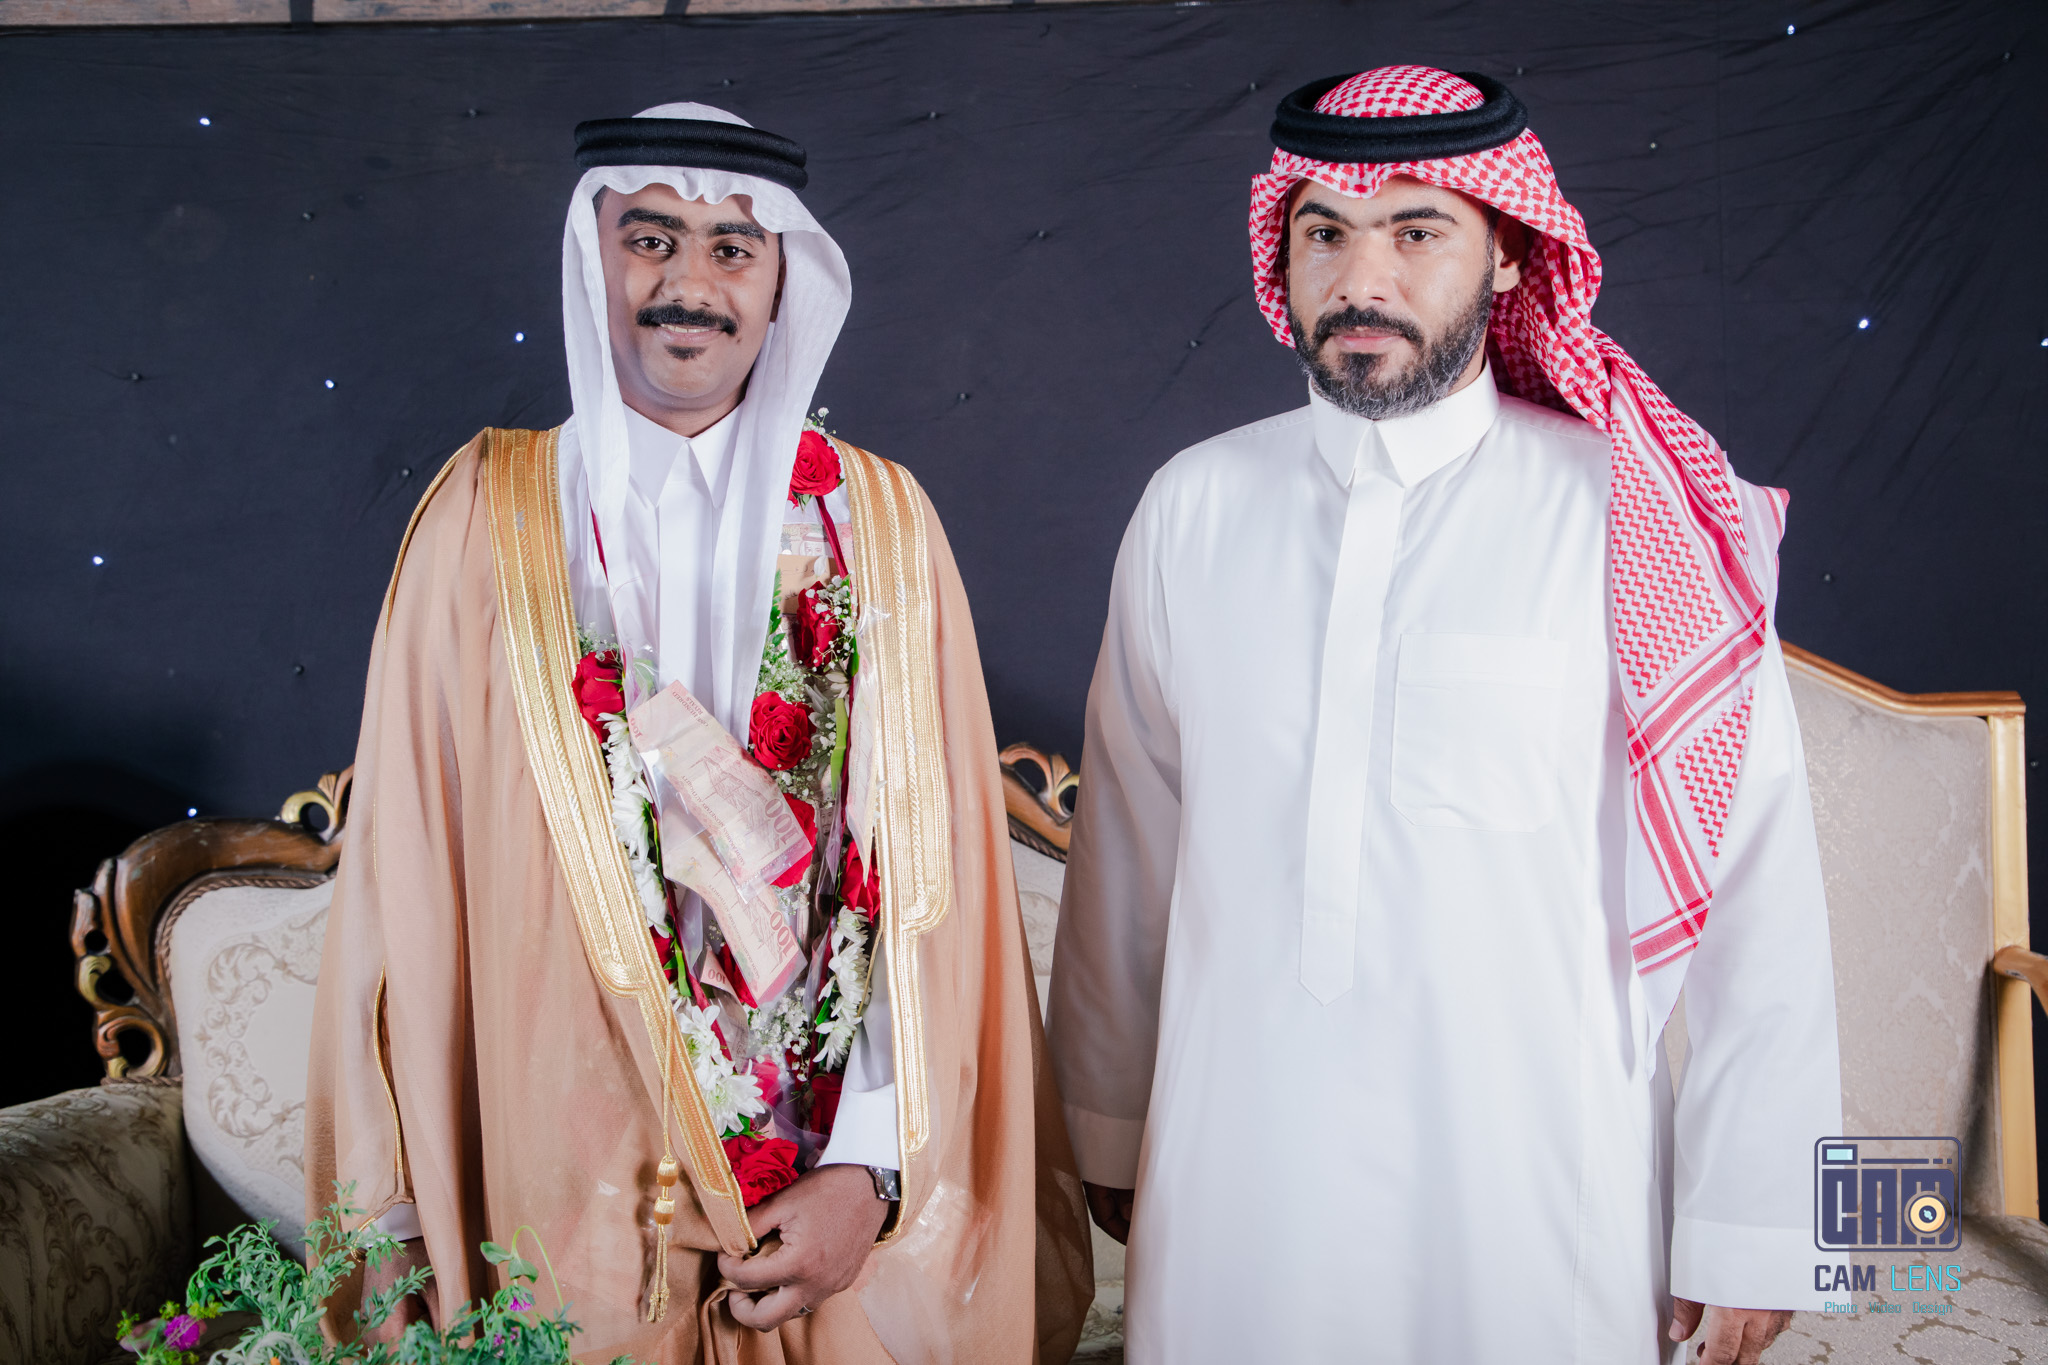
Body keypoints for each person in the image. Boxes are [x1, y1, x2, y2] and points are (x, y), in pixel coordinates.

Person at [1047, 66, 1841, 1365]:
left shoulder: (1633, 514)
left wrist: (1759, 1223)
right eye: (1324, 233)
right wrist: (1112, 1125)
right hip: (1238, 1179)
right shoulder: (1194, 506)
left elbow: (1765, 894)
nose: (1362, 278)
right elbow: (1128, 856)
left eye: (1417, 231)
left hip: (1536, 1197)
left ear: (1510, 253)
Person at [306, 102, 1092, 1365]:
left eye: (732, 249)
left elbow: (931, 899)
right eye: (650, 239)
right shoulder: (483, 517)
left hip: (825, 1192)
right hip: (556, 1172)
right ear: (594, 258)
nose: (688, 284)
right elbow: (410, 888)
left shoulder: (881, 525)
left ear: (783, 283)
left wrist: (870, 1171)